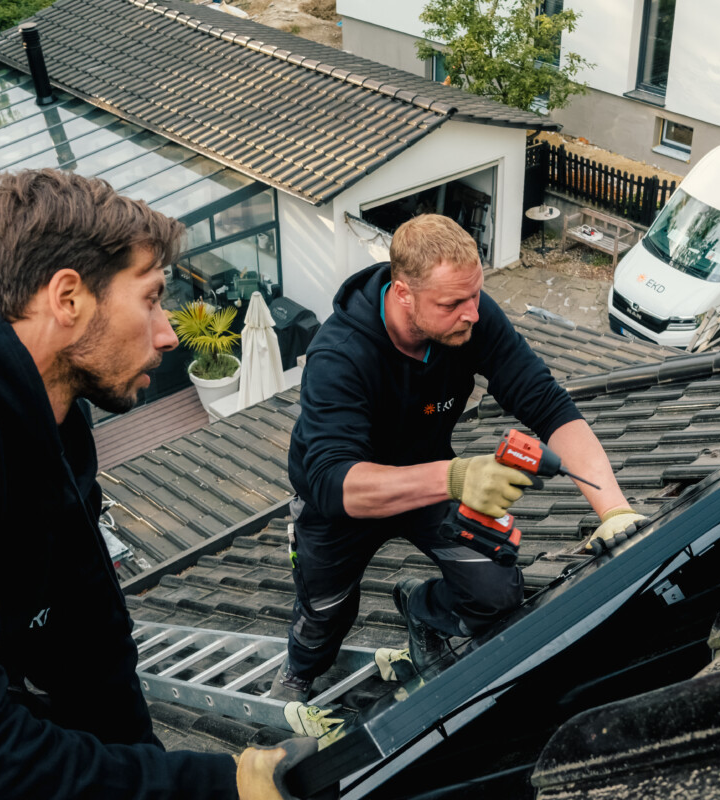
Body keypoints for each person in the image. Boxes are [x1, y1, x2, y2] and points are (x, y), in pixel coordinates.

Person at [0, 169, 311, 799]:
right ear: (68, 298)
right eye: (151, 297)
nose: (169, 334)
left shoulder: (52, 414)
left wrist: (155, 770)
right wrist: (215, 786)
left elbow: (86, 638)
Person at [274, 214, 645, 701]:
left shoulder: (470, 319)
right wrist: (455, 478)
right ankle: (299, 673)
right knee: (325, 612)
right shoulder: (340, 356)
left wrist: (613, 509)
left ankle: (420, 608)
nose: (473, 313)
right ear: (403, 293)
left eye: (475, 294)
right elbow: (331, 481)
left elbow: (549, 404)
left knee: (496, 590)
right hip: (343, 508)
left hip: (429, 482)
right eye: (453, 303)